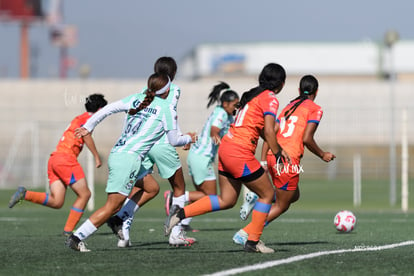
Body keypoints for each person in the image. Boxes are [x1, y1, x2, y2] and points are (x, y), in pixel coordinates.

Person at [164, 63, 290, 253]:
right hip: (239, 152)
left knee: (227, 199)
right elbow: (270, 131)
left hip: (226, 148)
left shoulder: (252, 95)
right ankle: (253, 241)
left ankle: (180, 213)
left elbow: (262, 130)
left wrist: (275, 146)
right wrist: (278, 153)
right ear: (281, 83)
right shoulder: (270, 98)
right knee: (267, 194)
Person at [65, 73, 196, 252]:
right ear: (167, 91)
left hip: (119, 153)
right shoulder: (166, 108)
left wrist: (89, 126)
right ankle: (77, 236)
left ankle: (119, 219)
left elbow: (107, 109)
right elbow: (174, 141)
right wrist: (190, 137)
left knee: (151, 188)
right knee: (113, 205)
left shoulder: (137, 98)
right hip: (128, 159)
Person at [233, 75, 336, 245]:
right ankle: (247, 232)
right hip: (288, 160)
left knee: (294, 195)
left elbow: (270, 132)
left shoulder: (289, 106)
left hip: (274, 156)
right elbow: (307, 138)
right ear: (316, 91)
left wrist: (264, 160)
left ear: (299, 90)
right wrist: (323, 154)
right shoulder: (315, 109)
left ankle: (256, 198)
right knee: (282, 205)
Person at [105, 57, 196, 247]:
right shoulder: (174, 89)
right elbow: (170, 113)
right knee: (178, 187)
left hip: (141, 144)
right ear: (174, 73)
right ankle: (176, 233)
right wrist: (182, 137)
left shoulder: (144, 92)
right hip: (161, 142)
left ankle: (124, 229)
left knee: (141, 187)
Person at [8, 94, 108, 236]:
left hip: (54, 159)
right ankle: (68, 231)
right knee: (85, 194)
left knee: (57, 201)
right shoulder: (88, 119)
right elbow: (86, 135)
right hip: (66, 159)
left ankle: (25, 194)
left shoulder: (79, 118)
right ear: (100, 110)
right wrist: (97, 157)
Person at [178, 82, 239, 228]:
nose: (236, 108)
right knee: (211, 197)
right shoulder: (221, 113)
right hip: (202, 158)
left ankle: (184, 222)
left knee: (202, 194)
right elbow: (214, 132)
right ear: (225, 103)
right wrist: (224, 146)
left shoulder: (225, 112)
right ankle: (177, 198)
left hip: (198, 156)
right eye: (234, 105)